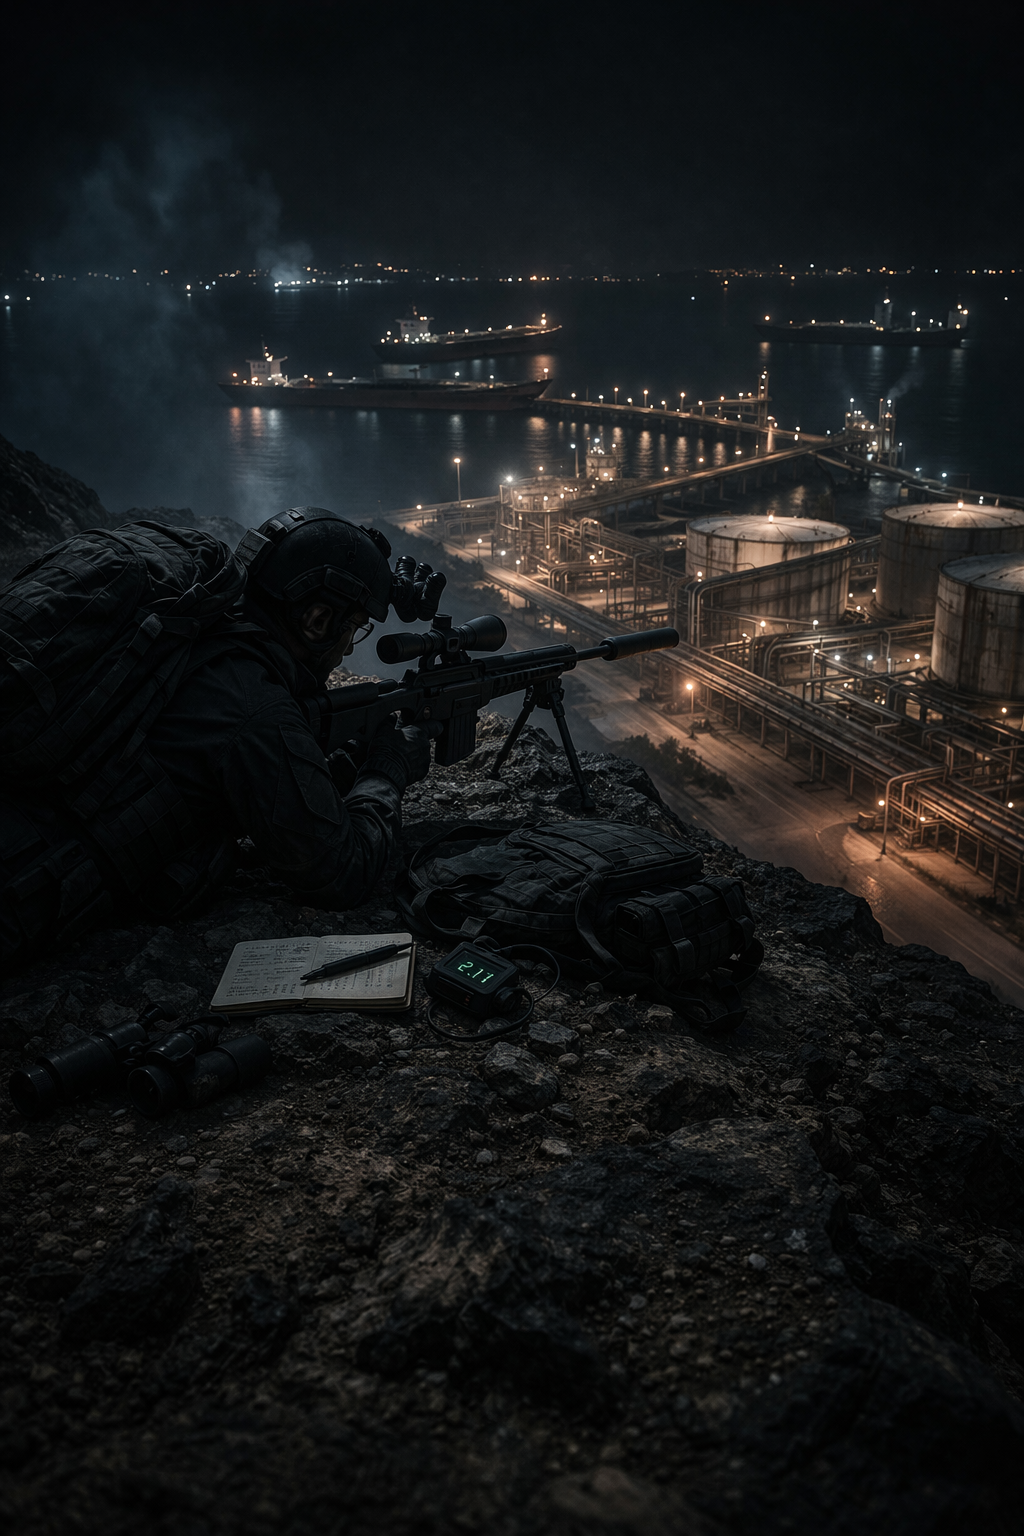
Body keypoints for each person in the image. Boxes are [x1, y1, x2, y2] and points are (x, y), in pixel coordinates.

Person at [0, 507, 445, 968]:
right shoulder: (253, 706)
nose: (343, 651)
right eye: (349, 631)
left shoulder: (188, 618)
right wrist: (387, 770)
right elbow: (341, 870)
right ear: (316, 621)